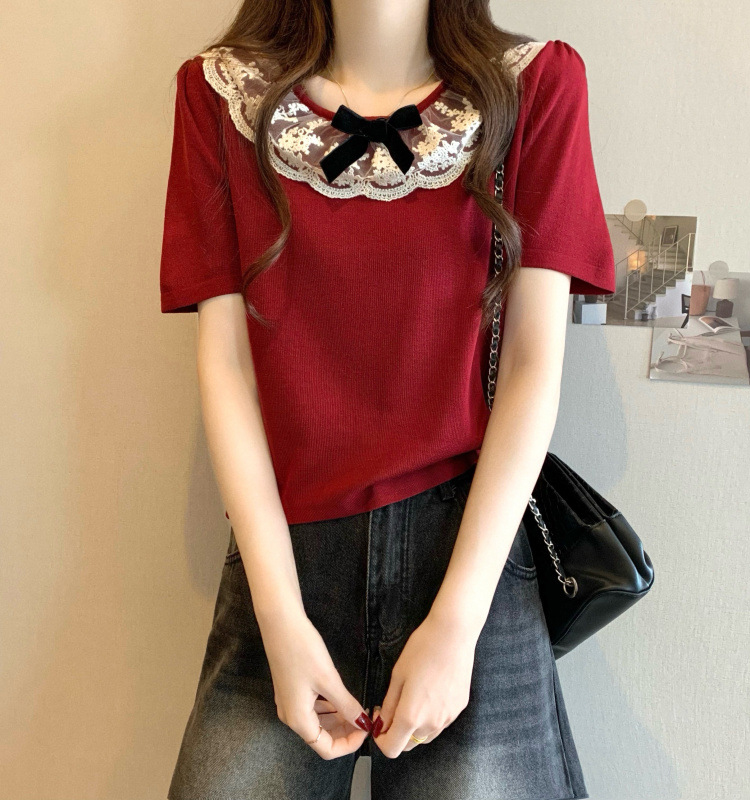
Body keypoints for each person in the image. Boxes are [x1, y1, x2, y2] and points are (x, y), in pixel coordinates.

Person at [158, 0, 615, 797]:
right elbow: (227, 365)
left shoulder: (536, 87)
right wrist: (279, 618)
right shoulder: (222, 97)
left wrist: (457, 623)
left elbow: (533, 365)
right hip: (284, 557)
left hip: (469, 557)